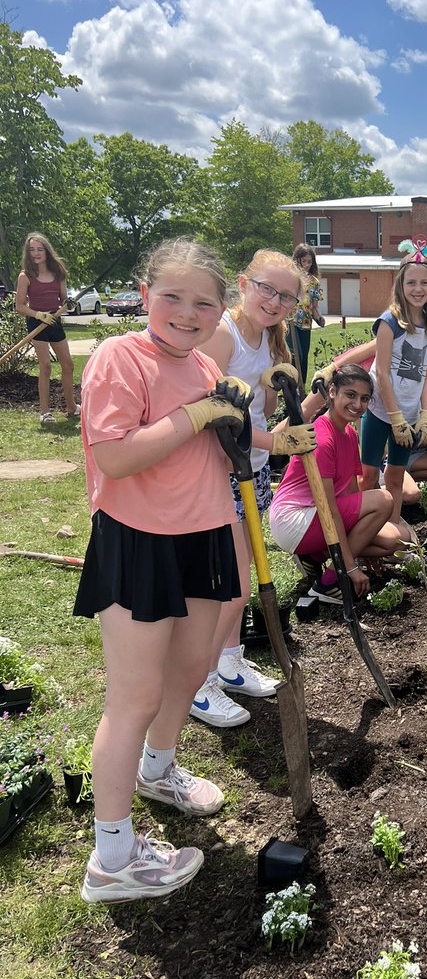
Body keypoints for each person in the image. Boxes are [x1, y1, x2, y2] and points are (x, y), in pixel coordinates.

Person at [73, 237, 261, 904]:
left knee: (189, 672)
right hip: (140, 541)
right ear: (145, 293)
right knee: (136, 697)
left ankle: (159, 770)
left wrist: (248, 425)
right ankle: (113, 859)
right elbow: (118, 457)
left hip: (205, 538)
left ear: (220, 310)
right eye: (173, 297)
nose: (187, 311)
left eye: (203, 302)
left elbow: (217, 444)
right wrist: (193, 415)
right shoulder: (120, 358)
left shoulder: (204, 370)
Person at [191, 250, 316, 729]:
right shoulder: (223, 334)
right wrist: (275, 440)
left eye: (286, 295)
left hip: (254, 470)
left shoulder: (266, 336)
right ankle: (199, 684)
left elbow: (258, 408)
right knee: (231, 584)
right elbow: (211, 418)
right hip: (222, 471)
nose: (275, 300)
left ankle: (229, 661)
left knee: (242, 577)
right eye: (267, 288)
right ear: (243, 284)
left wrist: (273, 382)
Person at [269, 365, 406, 602]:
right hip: (295, 520)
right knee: (384, 499)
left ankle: (314, 556)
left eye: (364, 399)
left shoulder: (349, 433)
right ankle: (329, 583)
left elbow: (351, 491)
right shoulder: (322, 437)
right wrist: (351, 566)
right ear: (332, 392)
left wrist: (364, 537)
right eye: (350, 395)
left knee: (394, 539)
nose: (357, 404)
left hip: (315, 517)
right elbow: (329, 508)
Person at [358, 251, 427, 523]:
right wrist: (394, 418)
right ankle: (362, 524)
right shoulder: (389, 322)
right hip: (383, 411)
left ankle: (392, 526)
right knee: (369, 474)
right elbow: (381, 372)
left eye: (424, 283)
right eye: (411, 283)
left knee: (395, 474)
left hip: (409, 415)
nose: (418, 289)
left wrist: (425, 414)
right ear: (400, 285)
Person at [308, 306, 427, 416]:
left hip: (371, 400)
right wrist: (332, 368)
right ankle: (281, 454)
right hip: (351, 373)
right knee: (305, 411)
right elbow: (369, 348)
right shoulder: (416, 335)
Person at [15, 232, 80, 424]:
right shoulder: (25, 276)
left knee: (68, 365)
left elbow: (63, 300)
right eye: (32, 250)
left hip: (54, 321)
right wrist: (38, 314)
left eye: (39, 249)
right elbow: (19, 306)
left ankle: (71, 407)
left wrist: (69, 305)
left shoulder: (58, 272)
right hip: (37, 322)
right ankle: (44, 412)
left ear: (46, 251)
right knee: (45, 366)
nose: (36, 253)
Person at [287, 244, 324, 387]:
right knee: (296, 356)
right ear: (297, 260)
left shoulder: (314, 281)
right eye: (304, 261)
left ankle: (301, 390)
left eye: (310, 262)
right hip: (291, 322)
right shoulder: (291, 278)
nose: (307, 265)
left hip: (306, 324)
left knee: (303, 360)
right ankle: (291, 387)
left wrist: (319, 318)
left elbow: (314, 306)